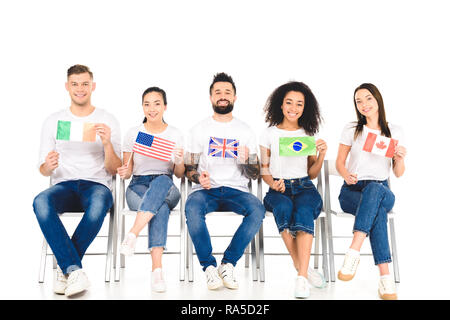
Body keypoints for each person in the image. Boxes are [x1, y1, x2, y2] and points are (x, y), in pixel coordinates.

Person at [32, 64, 122, 297]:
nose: (80, 89)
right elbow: (42, 169)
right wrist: (47, 166)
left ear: (92, 86)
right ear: (67, 87)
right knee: (40, 202)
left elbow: (115, 169)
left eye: (84, 84)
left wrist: (107, 144)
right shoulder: (53, 121)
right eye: (75, 84)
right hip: (64, 186)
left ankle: (67, 271)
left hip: (97, 186)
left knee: (100, 205)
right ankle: (74, 271)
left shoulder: (107, 118)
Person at [184, 72, 265, 290]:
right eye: (217, 92)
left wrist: (248, 159)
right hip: (205, 190)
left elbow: (255, 173)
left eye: (227, 92)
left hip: (236, 190)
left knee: (257, 210)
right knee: (192, 208)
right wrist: (198, 176)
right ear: (211, 97)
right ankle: (209, 268)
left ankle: (228, 263)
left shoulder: (245, 130)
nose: (222, 96)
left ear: (235, 97)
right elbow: (188, 168)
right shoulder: (198, 129)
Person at [336, 83, 406, 300]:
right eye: (359, 101)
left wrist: (400, 157)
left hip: (382, 190)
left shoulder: (394, 131)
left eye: (368, 99)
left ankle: (354, 249)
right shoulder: (351, 129)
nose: (364, 104)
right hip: (352, 190)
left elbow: (399, 173)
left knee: (375, 190)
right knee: (377, 214)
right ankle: (386, 279)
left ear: (378, 100)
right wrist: (346, 174)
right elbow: (340, 162)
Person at [260, 81, 327, 299]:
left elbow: (313, 173)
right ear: (280, 105)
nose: (293, 108)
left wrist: (322, 156)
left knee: (304, 212)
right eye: (289, 102)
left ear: (304, 108)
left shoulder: (307, 133)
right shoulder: (268, 134)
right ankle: (304, 270)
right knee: (283, 208)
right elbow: (264, 168)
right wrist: (273, 183)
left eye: (299, 104)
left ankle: (300, 278)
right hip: (278, 189)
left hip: (305, 186)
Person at [118, 87, 185, 293]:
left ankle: (133, 233)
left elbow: (180, 174)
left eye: (156, 103)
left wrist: (180, 160)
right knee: (160, 209)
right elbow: (128, 170)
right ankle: (157, 271)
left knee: (163, 181)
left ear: (165, 106)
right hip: (138, 186)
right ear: (142, 107)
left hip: (166, 184)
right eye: (147, 104)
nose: (152, 109)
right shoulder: (135, 133)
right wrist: (123, 170)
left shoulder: (174, 134)